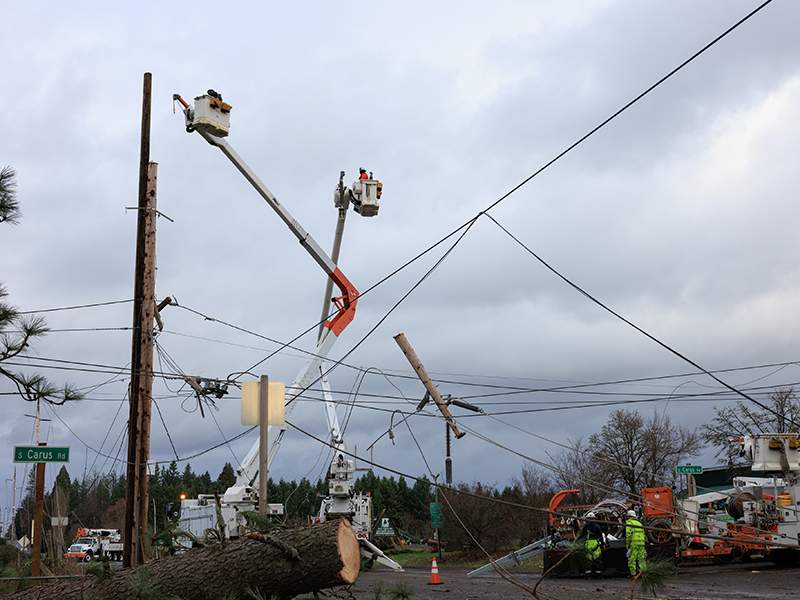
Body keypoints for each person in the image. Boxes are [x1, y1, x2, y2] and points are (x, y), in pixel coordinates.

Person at [625, 509, 646, 577]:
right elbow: (644, 534)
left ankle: (633, 574)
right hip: (642, 544)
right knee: (641, 559)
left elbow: (628, 535)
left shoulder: (629, 523)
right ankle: (643, 573)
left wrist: (627, 544)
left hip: (634, 544)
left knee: (632, 559)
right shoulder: (639, 523)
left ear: (629, 516)